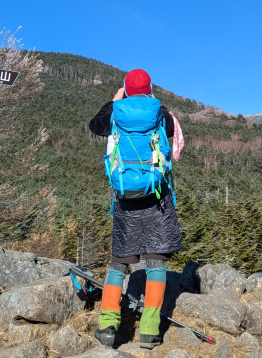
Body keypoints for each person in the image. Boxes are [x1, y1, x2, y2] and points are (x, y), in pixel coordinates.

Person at [88, 68, 182, 349]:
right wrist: (155, 105)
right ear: (150, 90)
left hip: (125, 199)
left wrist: (114, 100)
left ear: (126, 90)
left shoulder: (115, 112)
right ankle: (150, 332)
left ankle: (108, 326)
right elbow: (173, 138)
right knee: (155, 262)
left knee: (119, 263)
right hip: (156, 196)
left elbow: (95, 126)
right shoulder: (161, 114)